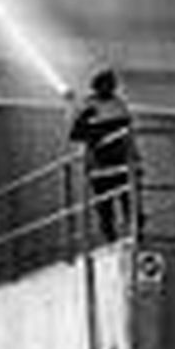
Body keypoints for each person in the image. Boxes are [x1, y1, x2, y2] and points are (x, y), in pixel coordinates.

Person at [67, 67, 141, 242]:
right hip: (100, 165)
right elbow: (76, 134)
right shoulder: (89, 105)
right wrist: (92, 125)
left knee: (130, 203)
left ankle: (136, 236)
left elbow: (126, 131)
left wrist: (135, 160)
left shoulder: (118, 104)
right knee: (106, 208)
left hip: (122, 162)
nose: (110, 87)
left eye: (112, 84)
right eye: (107, 84)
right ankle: (111, 240)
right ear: (98, 86)